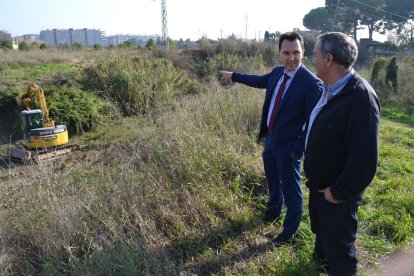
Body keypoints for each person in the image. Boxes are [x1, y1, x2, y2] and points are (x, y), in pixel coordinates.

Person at [220, 32, 322, 244]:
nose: (291, 58)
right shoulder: (277, 72)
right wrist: (234, 75)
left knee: (292, 192)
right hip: (270, 140)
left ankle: (288, 233)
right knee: (274, 183)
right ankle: (272, 214)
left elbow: (312, 122)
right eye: (286, 52)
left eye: (296, 52)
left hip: (290, 148)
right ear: (279, 54)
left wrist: (297, 149)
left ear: (303, 53)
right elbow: (259, 80)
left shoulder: (311, 84)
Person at [304, 32, 380, 275]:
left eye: (314, 54)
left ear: (328, 59)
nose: (310, 58)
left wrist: (336, 193)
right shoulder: (329, 88)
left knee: (341, 261)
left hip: (336, 196)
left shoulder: (360, 97)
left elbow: (365, 160)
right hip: (321, 190)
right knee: (324, 248)